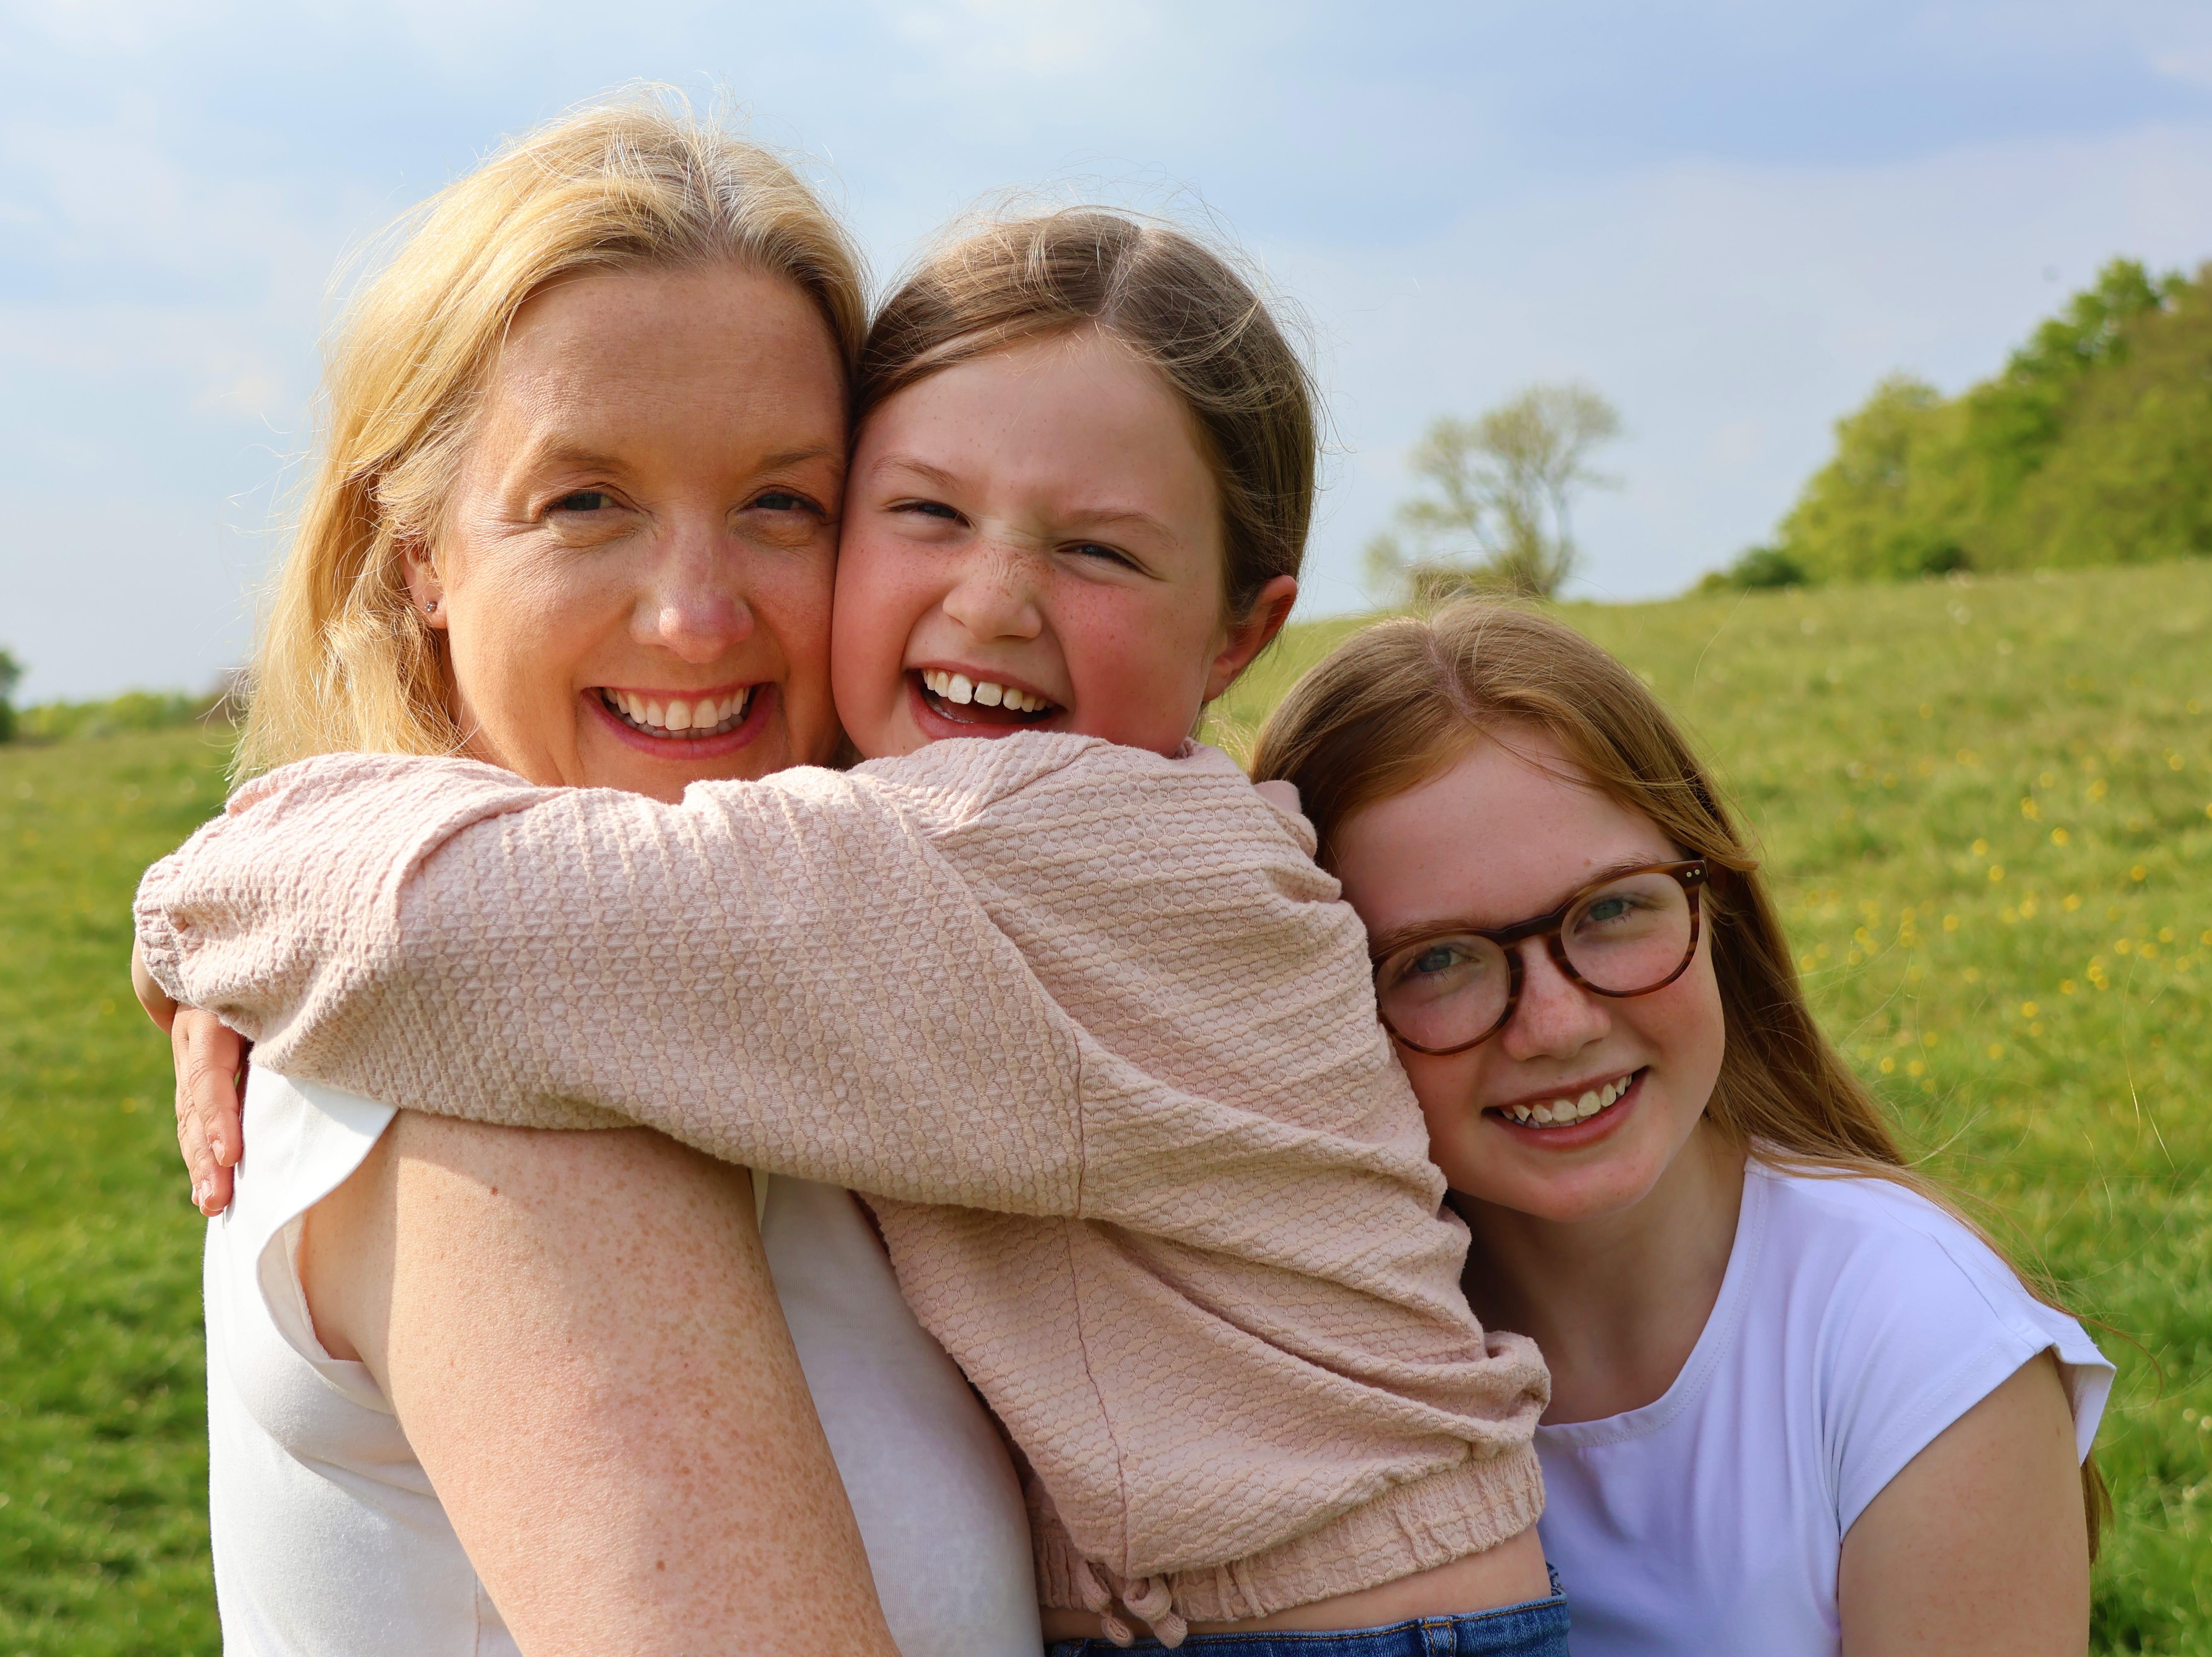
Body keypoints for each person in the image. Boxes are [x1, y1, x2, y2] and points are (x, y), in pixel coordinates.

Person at [137, 105, 1569, 1655]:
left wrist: (212, 911)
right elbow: (445, 934)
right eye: (585, 501)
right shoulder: (507, 1067)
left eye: (781, 503)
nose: (696, 619)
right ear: (414, 550)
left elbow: (450, 925)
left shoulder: (946, 884)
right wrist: (240, 923)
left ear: (1240, 629)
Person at [1250, 600, 2113, 1656]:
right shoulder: (1287, 1351)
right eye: (1437, 961)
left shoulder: (1919, 1341)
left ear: (1716, 910)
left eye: (1613, 910)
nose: (1558, 1025)